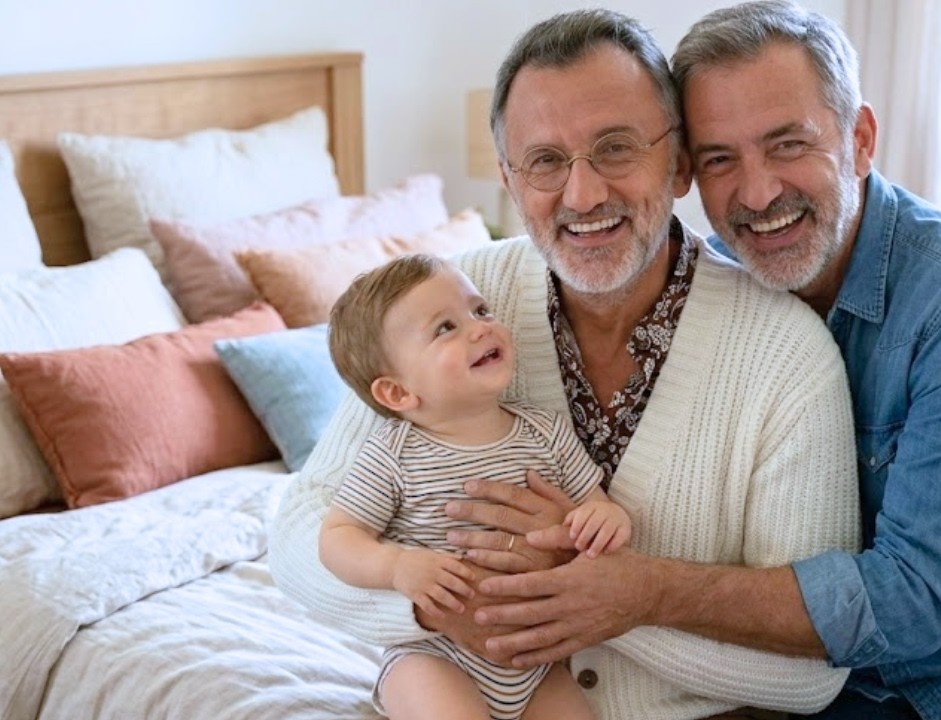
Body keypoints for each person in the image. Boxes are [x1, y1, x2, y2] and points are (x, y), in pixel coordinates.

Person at [467, 3, 941, 719]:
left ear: (860, 140)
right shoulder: (715, 292)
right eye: (720, 158)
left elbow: (911, 604)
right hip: (846, 693)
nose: (758, 193)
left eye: (788, 144)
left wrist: (637, 590)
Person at [269, 8, 860, 720]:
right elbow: (298, 536)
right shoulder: (453, 302)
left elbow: (813, 671)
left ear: (678, 163)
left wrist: (604, 599)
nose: (583, 196)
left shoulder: (787, 354)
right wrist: (437, 606)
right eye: (546, 161)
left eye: (616, 149)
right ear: (509, 179)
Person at [319, 253, 631, 720]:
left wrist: (605, 519)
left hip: (536, 664)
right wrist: (396, 566)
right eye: (445, 328)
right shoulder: (393, 454)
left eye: (480, 310)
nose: (480, 328)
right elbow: (338, 536)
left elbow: (594, 504)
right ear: (398, 393)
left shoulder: (545, 432)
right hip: (434, 654)